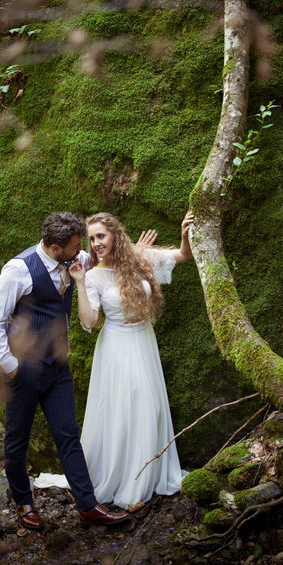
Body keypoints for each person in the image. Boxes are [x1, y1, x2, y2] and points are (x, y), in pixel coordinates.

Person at [0, 211, 154, 529]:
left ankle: (88, 506)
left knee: (69, 435)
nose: (82, 250)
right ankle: (24, 503)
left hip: (58, 368)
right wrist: (10, 367)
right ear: (55, 247)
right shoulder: (18, 270)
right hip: (25, 370)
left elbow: (107, 256)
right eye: (77, 246)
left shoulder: (76, 259)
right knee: (17, 440)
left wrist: (137, 251)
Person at [68, 211, 194, 510]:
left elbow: (183, 256)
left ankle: (147, 474)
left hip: (143, 340)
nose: (96, 243)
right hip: (117, 345)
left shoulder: (141, 259)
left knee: (149, 406)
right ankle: (125, 480)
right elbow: (89, 321)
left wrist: (184, 235)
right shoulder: (94, 276)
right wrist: (80, 283)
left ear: (115, 235)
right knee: (123, 408)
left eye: (101, 236)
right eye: (92, 239)